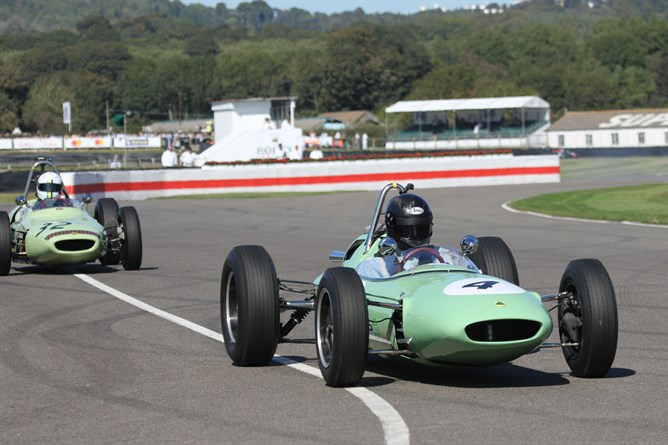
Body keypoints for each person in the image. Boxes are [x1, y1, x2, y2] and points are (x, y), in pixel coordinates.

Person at [356, 193, 474, 279]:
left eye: (421, 227)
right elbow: (353, 290)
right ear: (392, 227)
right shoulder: (376, 265)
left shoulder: (446, 255)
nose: (416, 234)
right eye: (408, 228)